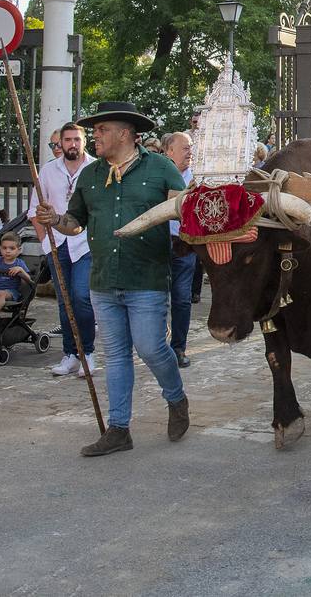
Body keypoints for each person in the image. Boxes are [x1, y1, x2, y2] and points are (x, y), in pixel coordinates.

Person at [36, 102, 189, 457]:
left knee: (151, 348)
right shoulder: (91, 176)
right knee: (116, 356)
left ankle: (176, 398)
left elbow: (184, 208)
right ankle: (119, 429)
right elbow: (75, 223)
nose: (95, 136)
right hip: (103, 280)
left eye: (102, 130)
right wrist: (54, 218)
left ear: (124, 133)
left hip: (147, 278)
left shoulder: (161, 168)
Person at [30, 122, 96, 379]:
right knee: (64, 300)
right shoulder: (48, 171)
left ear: (84, 141)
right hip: (56, 243)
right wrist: (45, 242)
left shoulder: (95, 168)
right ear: (60, 143)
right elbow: (36, 209)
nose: (72, 144)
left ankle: (87, 352)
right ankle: (70, 353)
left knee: (81, 297)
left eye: (76, 140)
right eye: (67, 140)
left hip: (85, 244)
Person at [162, 131, 195, 368]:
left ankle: (179, 347)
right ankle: (157, 346)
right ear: (169, 151)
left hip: (185, 245)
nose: (190, 152)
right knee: (155, 298)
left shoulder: (200, 176)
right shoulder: (158, 174)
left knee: (182, 299)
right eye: (185, 148)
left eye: (191, 147)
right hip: (158, 244)